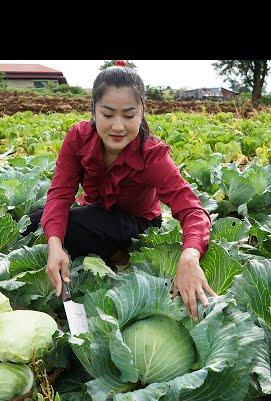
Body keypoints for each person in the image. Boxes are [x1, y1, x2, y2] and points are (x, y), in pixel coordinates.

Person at [27, 61, 216, 319]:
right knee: (34, 220)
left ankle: (123, 256)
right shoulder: (78, 138)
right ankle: (103, 252)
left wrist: (189, 258)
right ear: (94, 110)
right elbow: (60, 195)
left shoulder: (152, 155)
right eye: (107, 114)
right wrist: (54, 246)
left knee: (68, 226)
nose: (118, 126)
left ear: (141, 113)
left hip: (138, 226)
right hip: (95, 214)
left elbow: (193, 211)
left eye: (128, 115)